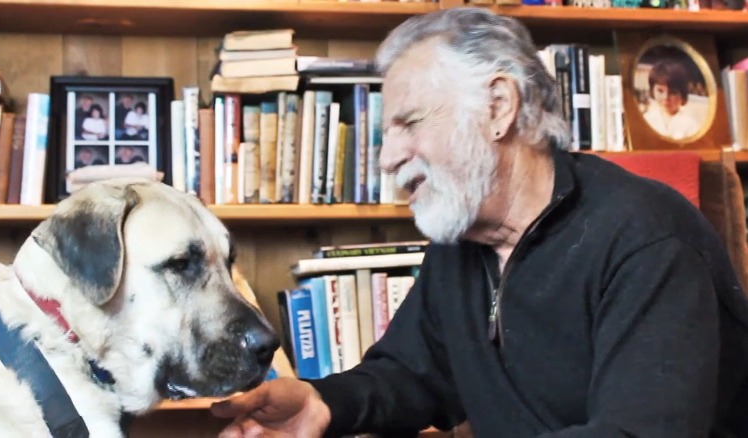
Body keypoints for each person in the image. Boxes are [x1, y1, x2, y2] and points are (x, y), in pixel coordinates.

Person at [211, 8, 748, 438]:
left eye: (410, 123)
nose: (387, 157)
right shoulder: (461, 242)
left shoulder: (645, 238)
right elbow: (412, 373)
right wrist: (323, 403)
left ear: (498, 107)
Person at [642, 59, 700, 140]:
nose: (666, 97)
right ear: (652, 90)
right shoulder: (646, 119)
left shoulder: (690, 125)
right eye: (660, 91)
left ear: (682, 94)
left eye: (672, 92)